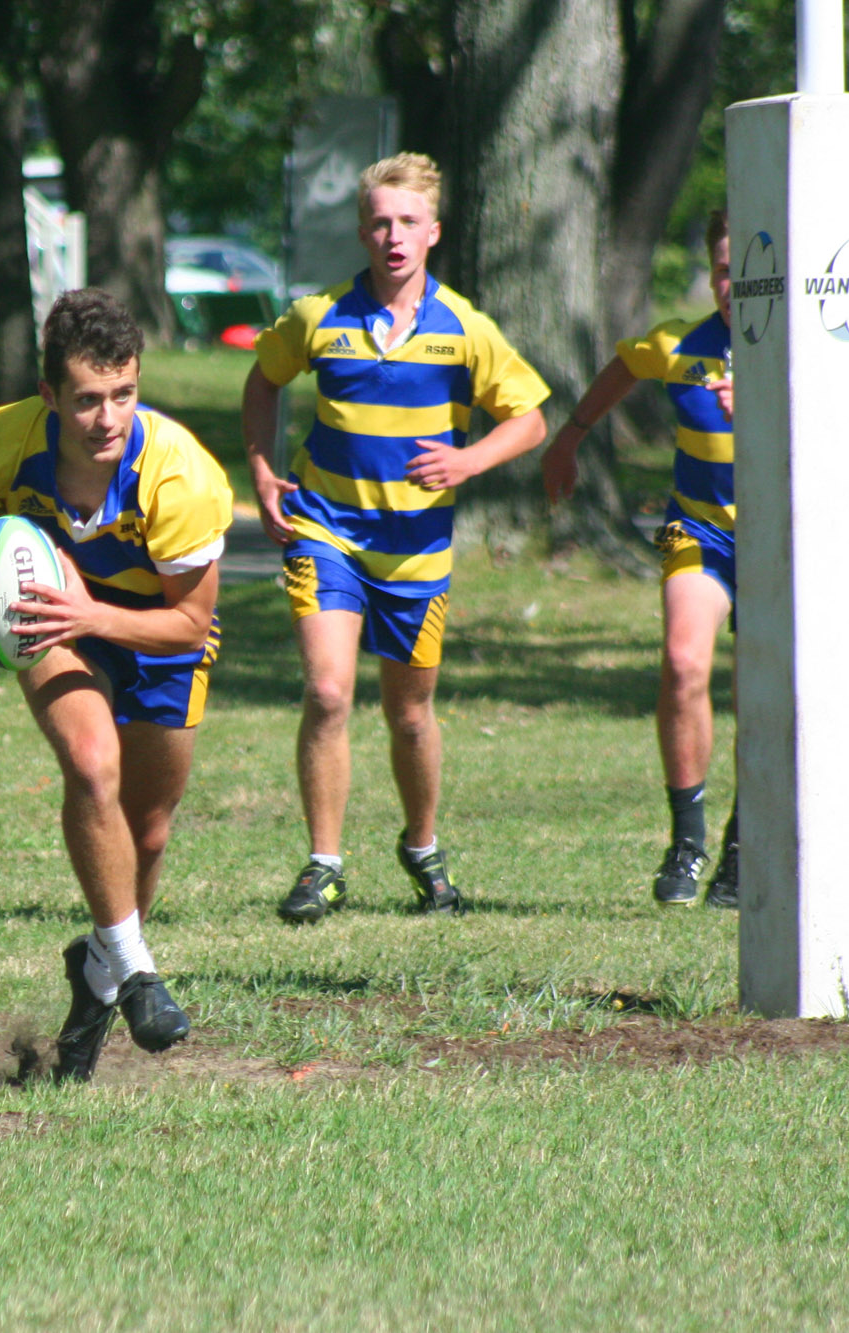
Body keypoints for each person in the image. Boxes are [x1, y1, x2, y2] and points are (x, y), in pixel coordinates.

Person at [0, 288, 234, 1081]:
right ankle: (137, 974)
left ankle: (96, 974)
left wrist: (95, 612)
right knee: (93, 764)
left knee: (149, 830)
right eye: (88, 400)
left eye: (124, 394)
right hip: (52, 624)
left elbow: (189, 624)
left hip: (152, 631)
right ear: (49, 396)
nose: (108, 418)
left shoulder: (180, 474)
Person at [241, 152, 550, 924]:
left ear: (433, 232)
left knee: (409, 715)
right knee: (327, 690)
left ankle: (421, 844)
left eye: (408, 222)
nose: (393, 236)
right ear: (362, 231)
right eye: (379, 222)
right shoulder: (320, 318)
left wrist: (468, 458)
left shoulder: (465, 328)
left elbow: (530, 417)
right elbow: (263, 379)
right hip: (328, 531)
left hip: (416, 549)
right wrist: (262, 472)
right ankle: (324, 864)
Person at [543, 209, 739, 909]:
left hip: (784, 536)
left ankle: (745, 841)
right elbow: (625, 364)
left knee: (767, 689)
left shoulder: (799, 343)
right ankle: (688, 839)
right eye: (721, 268)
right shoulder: (680, 343)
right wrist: (571, 435)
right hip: (699, 530)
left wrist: (769, 402)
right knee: (685, 663)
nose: (731, 282)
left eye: (746, 267)